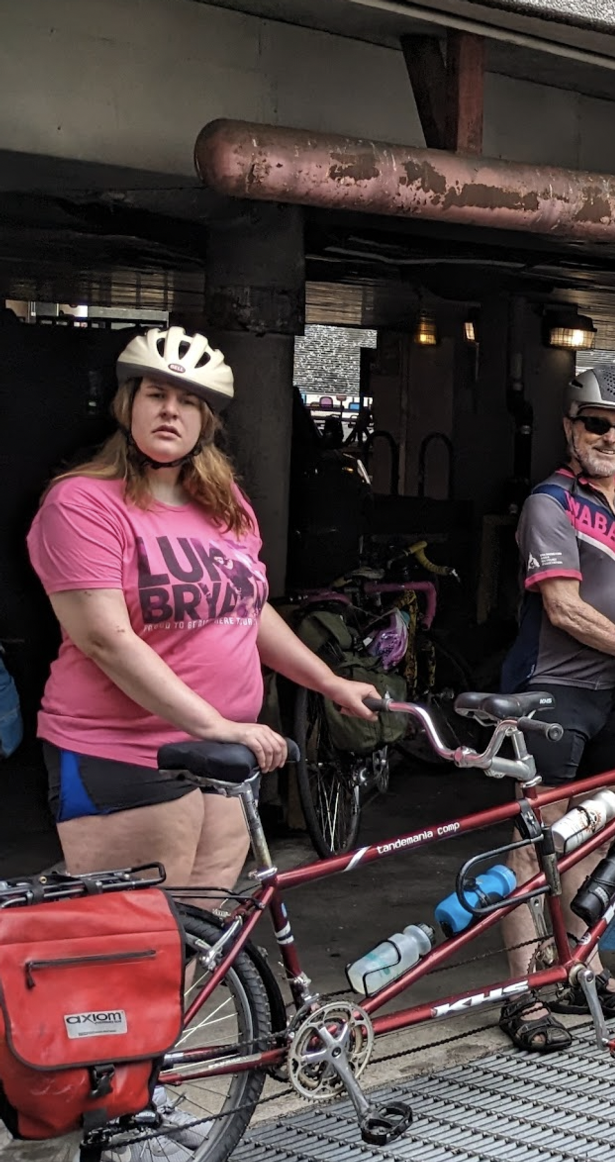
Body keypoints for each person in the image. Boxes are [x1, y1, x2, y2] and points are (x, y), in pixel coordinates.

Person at [31, 326, 378, 891]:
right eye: (156, 396)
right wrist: (218, 725)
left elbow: (250, 610)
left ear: (206, 421)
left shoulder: (225, 504)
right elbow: (105, 639)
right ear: (128, 406)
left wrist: (328, 683)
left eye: (188, 402)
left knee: (205, 926)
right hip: (125, 752)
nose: (171, 411)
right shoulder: (81, 503)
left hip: (222, 750)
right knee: (138, 941)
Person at [497, 365, 615, 1051]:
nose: (610, 436)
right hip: (551, 690)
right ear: (571, 428)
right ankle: (522, 991)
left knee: (592, 838)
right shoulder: (549, 501)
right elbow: (566, 607)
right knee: (530, 840)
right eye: (596, 423)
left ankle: (581, 970)